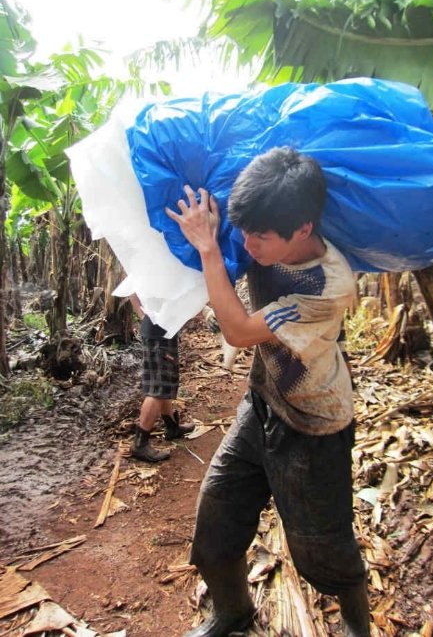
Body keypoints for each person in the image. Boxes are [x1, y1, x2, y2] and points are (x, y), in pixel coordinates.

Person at [166, 147, 370, 637]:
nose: (247, 242)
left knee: (320, 546)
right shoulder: (263, 223)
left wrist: (209, 247)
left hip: (314, 423)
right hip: (261, 404)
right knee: (216, 515)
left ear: (302, 229)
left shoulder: (326, 286)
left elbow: (237, 330)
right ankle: (232, 611)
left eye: (260, 236)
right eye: (243, 231)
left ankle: (356, 626)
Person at [128, 294, 194, 463]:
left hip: (161, 332)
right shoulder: (154, 271)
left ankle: (172, 427)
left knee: (164, 384)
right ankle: (140, 443)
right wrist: (143, 316)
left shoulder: (156, 272)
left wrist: (143, 317)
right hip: (158, 334)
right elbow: (131, 289)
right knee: (158, 388)